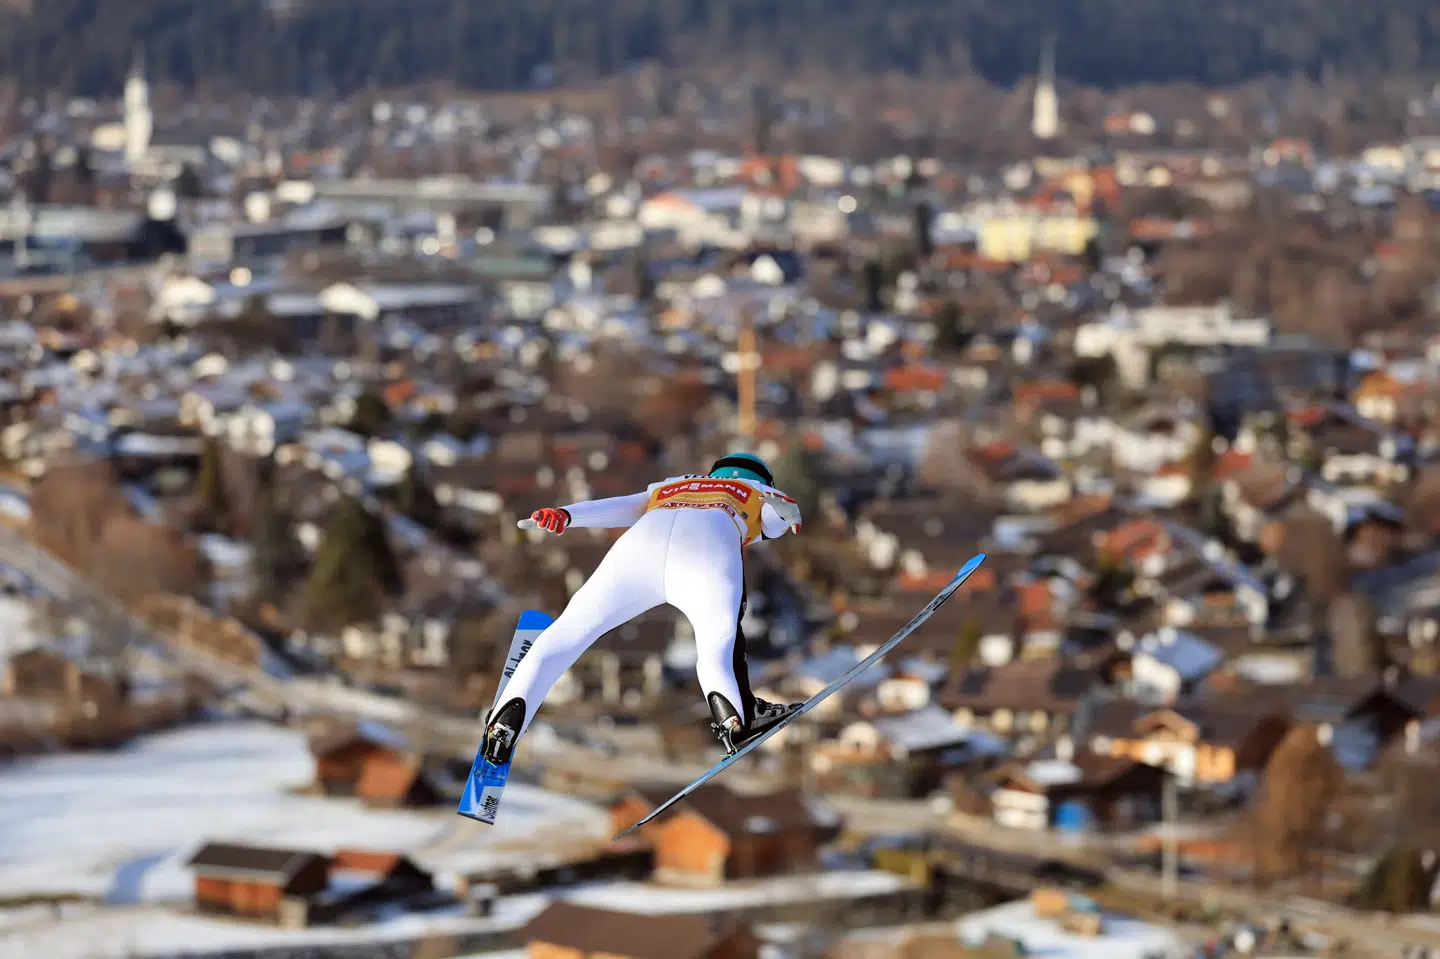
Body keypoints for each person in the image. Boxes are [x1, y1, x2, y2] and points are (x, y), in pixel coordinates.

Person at [480, 452, 805, 765]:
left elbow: (622, 507)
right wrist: (788, 510)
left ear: (715, 471)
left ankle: (502, 726)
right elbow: (777, 519)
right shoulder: (761, 491)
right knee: (718, 646)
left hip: (637, 553)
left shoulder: (674, 484)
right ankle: (736, 721)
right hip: (705, 556)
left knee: (564, 636)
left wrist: (566, 514)